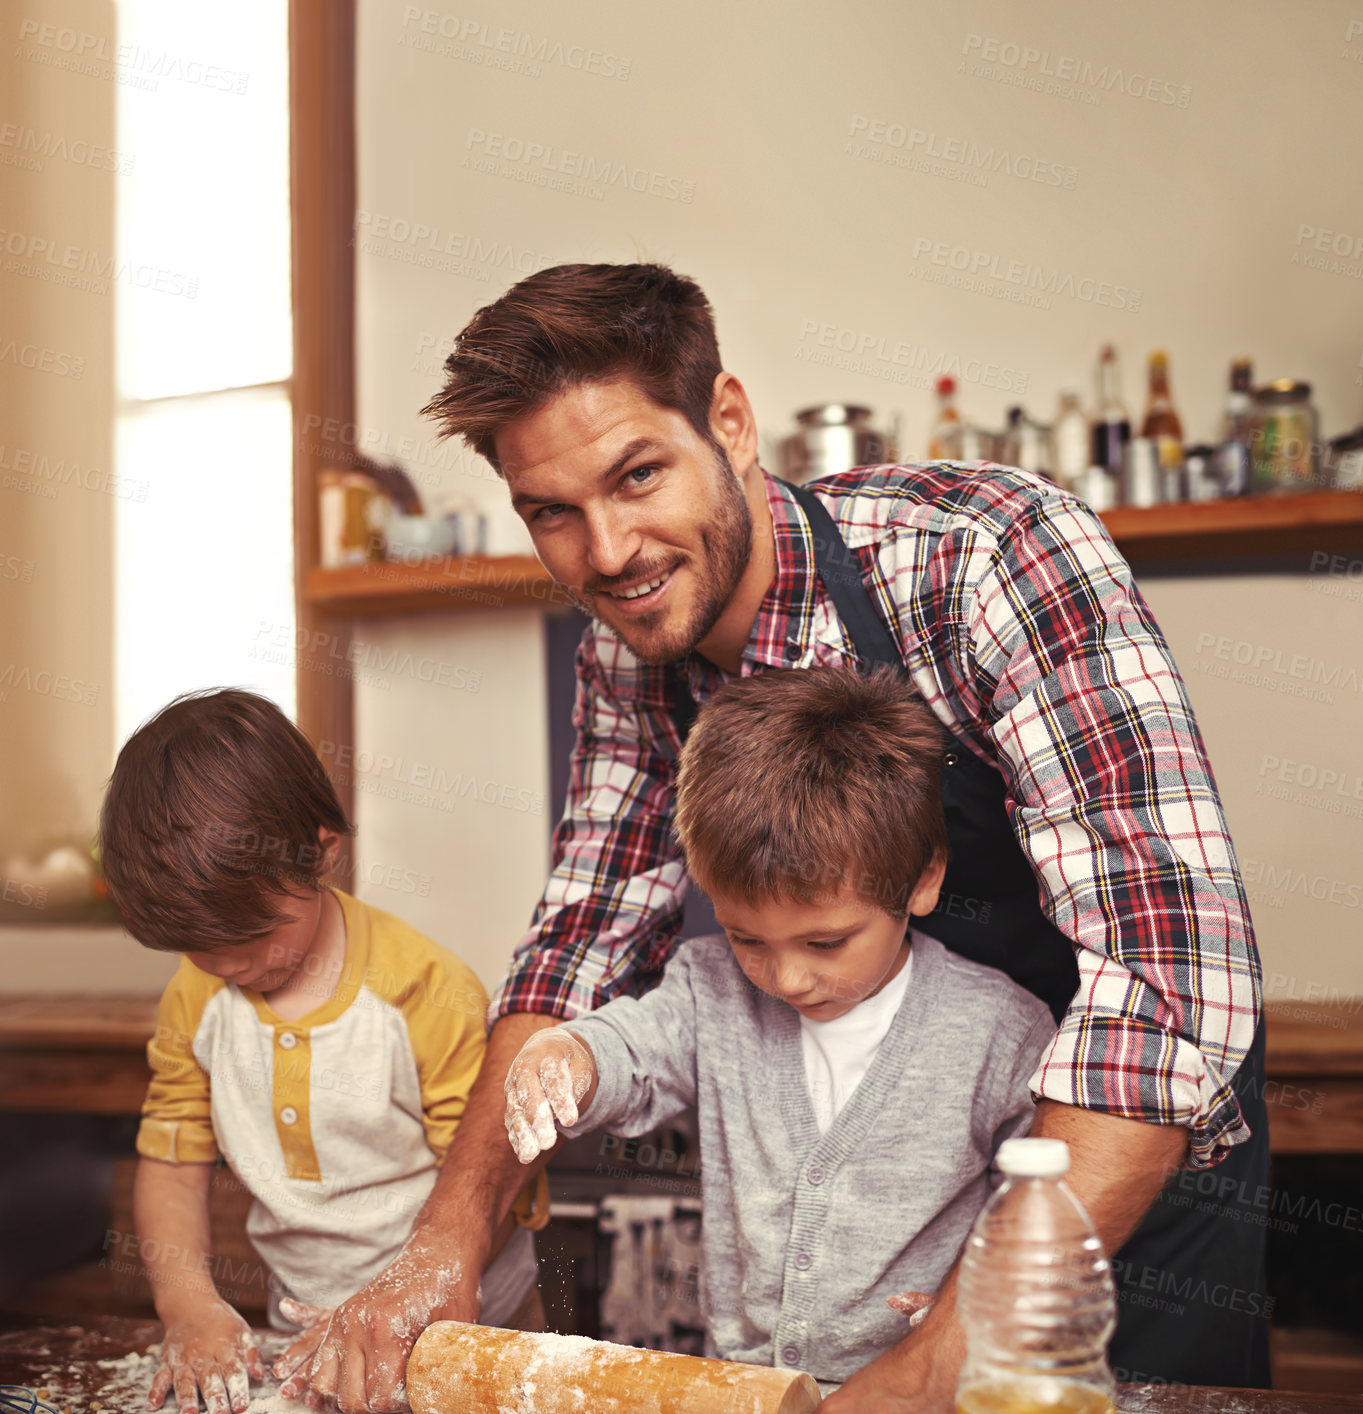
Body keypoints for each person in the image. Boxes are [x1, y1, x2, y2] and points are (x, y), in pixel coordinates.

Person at [305, 264, 1267, 1414]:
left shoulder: (983, 556)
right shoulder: (631, 656)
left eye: (638, 475)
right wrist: (445, 1238)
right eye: (551, 511)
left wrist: (939, 1358)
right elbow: (579, 950)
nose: (606, 552)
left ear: (731, 421)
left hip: (1111, 1172)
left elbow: (1166, 986)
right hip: (874, 1250)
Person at [503, 665, 1057, 1384]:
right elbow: (635, 1048)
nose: (787, 978)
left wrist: (971, 1309)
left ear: (921, 880)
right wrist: (570, 1055)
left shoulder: (1001, 1031)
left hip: (931, 1390)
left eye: (825, 943)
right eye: (748, 939)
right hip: (745, 1390)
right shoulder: (711, 991)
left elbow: (1042, 1210)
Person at [99, 689, 548, 1414]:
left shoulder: (425, 991)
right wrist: (188, 1309)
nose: (232, 968)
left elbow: (492, 1181)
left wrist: (402, 1304)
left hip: (473, 1321)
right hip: (306, 1330)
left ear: (323, 854)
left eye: (253, 939)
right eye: (202, 950)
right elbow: (175, 1168)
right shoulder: (196, 997)